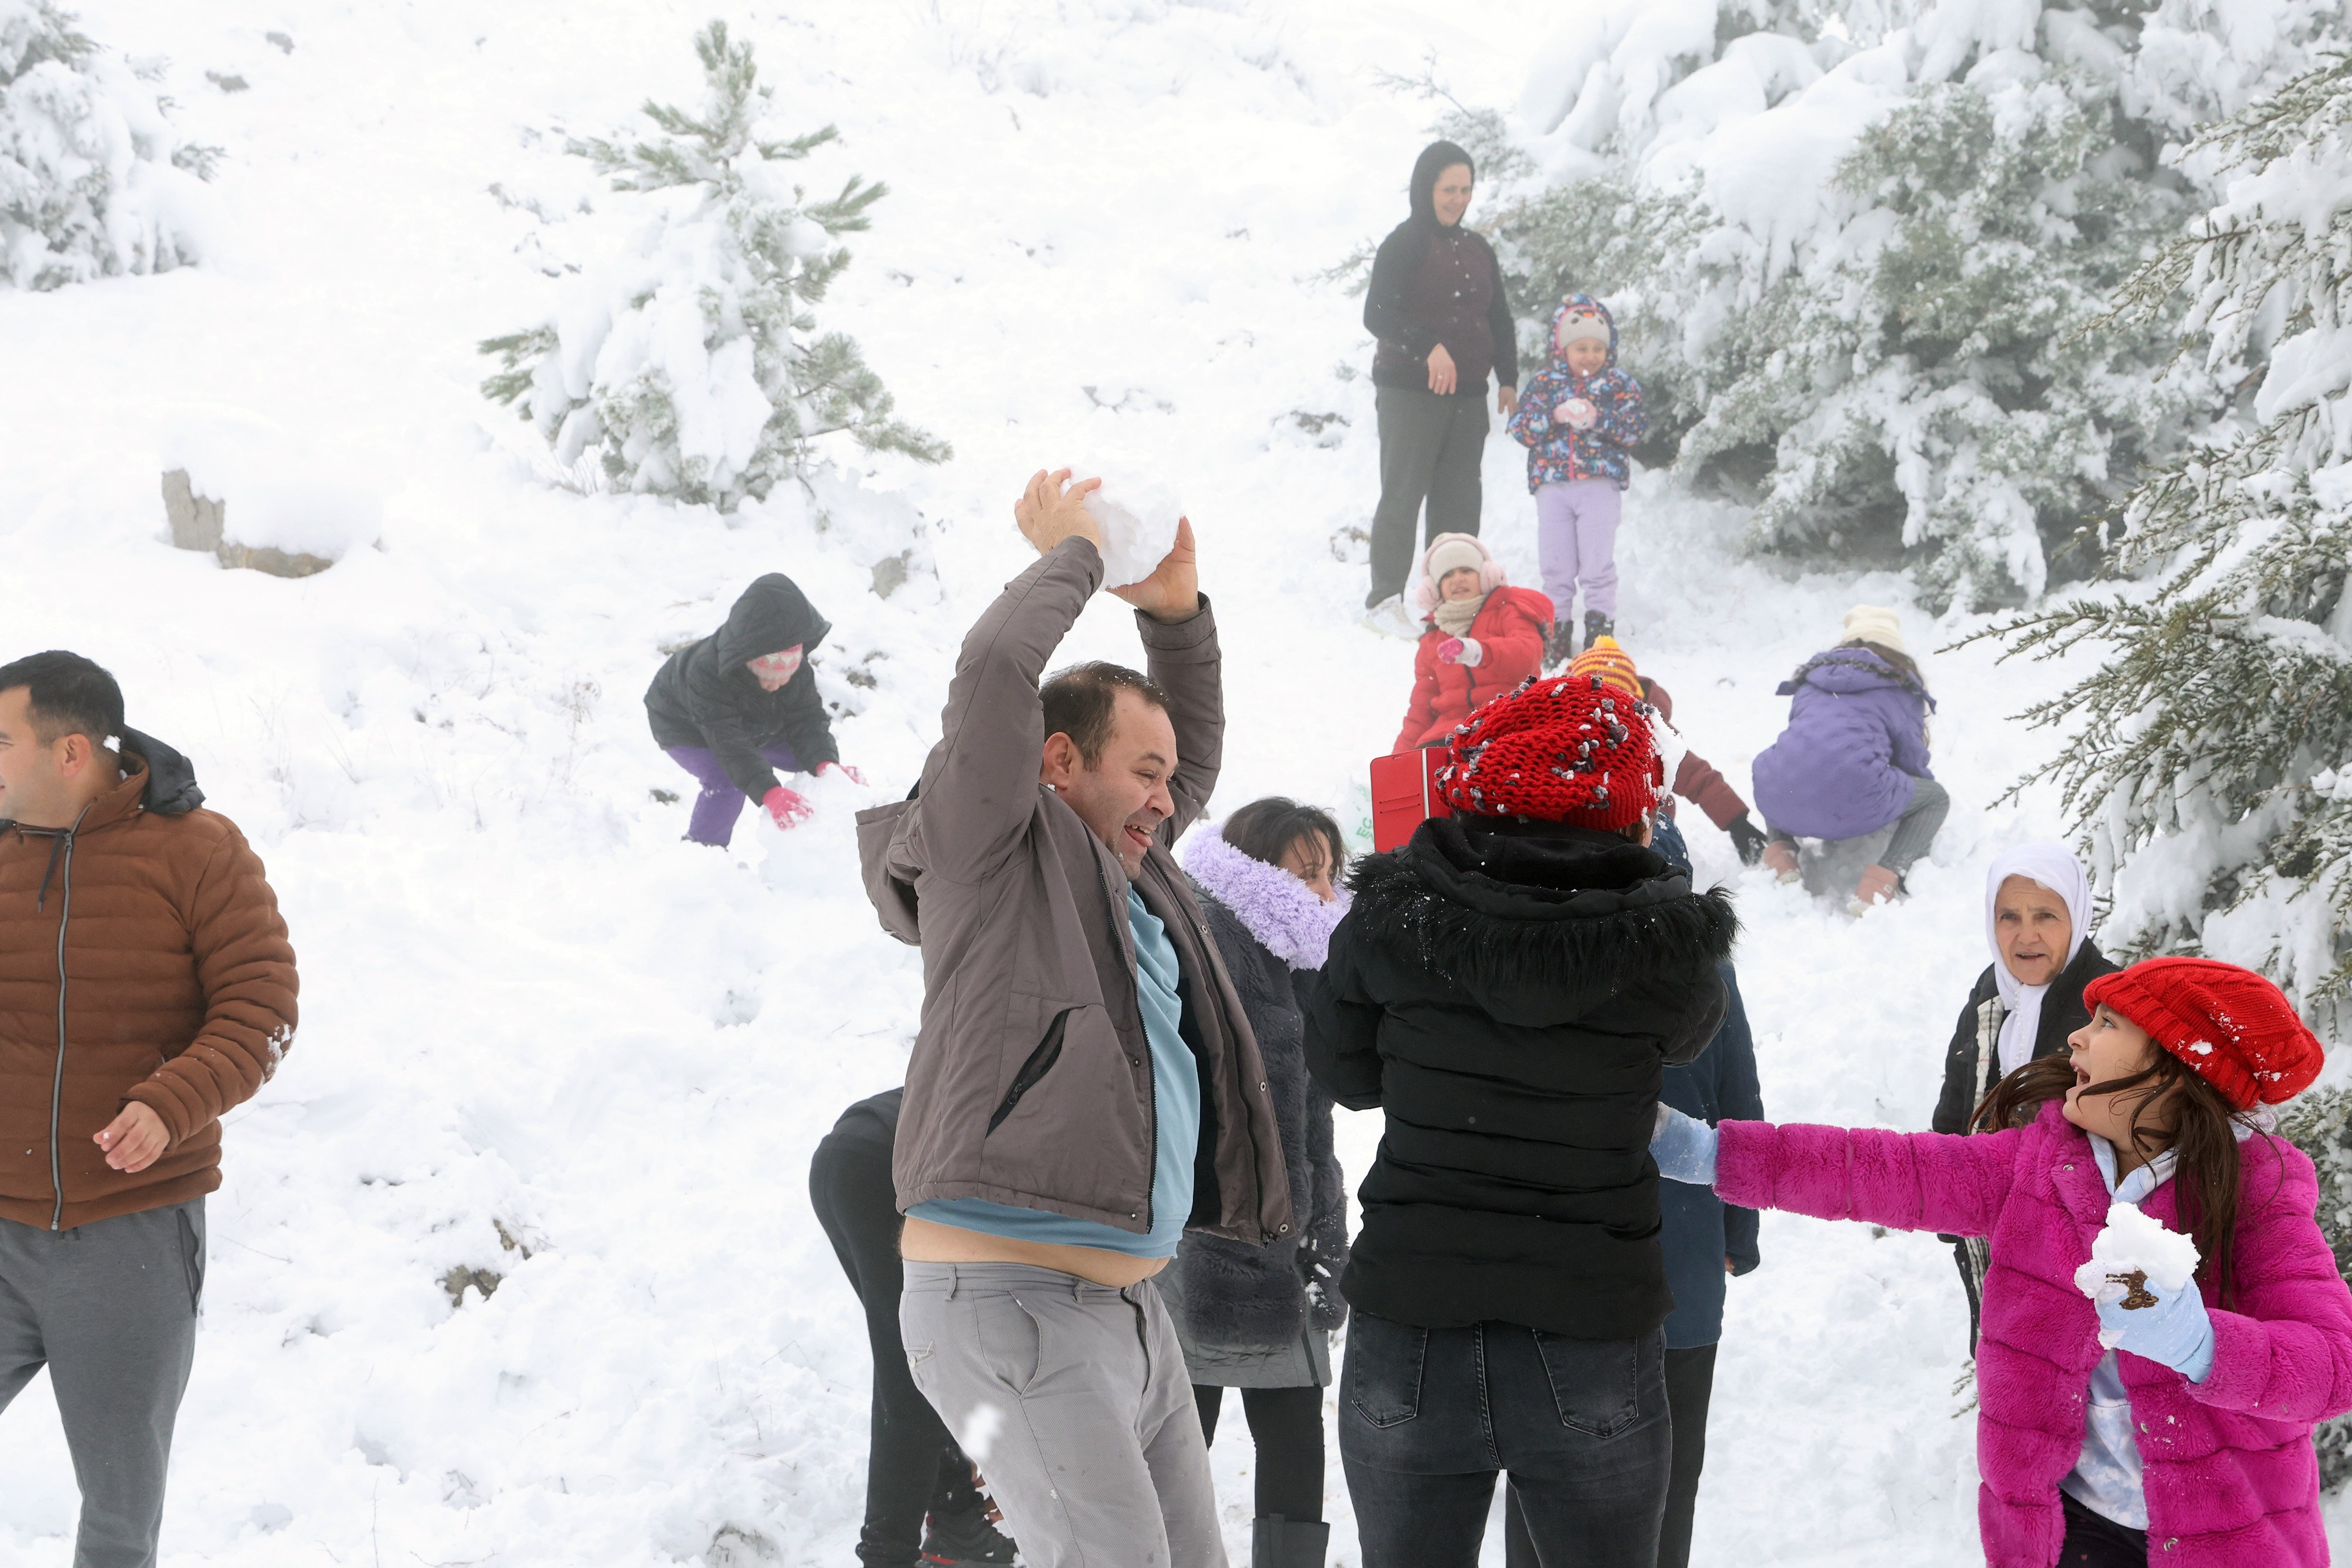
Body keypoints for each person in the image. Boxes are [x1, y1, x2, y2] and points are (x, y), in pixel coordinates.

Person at [856, 469, 1292, 1568]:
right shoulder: (988, 845)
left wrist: (1176, 618)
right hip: (1009, 1293)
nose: (1166, 797)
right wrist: (1078, 552)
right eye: (1143, 774)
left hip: (1132, 1308)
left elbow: (1175, 749)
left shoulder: (1126, 877)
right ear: (1057, 762)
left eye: (1169, 780)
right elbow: (1002, 668)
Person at [1653, 957, 2352, 1567]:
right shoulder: (2038, 1169)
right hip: (2062, 1529)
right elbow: (1876, 1169)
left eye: (2108, 1024)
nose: (2077, 1035)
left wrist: (2203, 1346)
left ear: (2176, 1066)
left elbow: (2333, 1364)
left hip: (2224, 1538)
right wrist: (1715, 1153)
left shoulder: (2254, 1195)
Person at [1309, 673, 1737, 1568]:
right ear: (1627, 810)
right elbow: (1688, 1042)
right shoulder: (1668, 947)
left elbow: (1345, 1074)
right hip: (1591, 1322)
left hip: (1412, 1315)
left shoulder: (1398, 916)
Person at [0, 650, 299, 1568]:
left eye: (0, 740)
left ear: (70, 751)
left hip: (129, 1241)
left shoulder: (201, 850)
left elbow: (262, 1009)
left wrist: (172, 1103)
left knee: (121, 1519)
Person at [1502, 810, 1765, 1568]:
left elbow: (1735, 1099)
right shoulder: (1550, 942)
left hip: (1646, 1255)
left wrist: (1737, 1237)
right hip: (1610, 1257)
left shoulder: (1553, 940)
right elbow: (1738, 1099)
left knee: (1618, 1477)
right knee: (1570, 1474)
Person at [1159, 799, 1352, 1568]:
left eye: (1331, 872)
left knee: (1282, 1428)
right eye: (1307, 871)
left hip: (1279, 1236)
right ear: (1258, 870)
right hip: (1218, 1234)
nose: (1323, 889)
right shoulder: (1222, 949)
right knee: (1186, 1427)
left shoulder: (1293, 959)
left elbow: (1313, 1115)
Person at [808, 1088, 1019, 1568]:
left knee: (924, 1360)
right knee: (916, 1366)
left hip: (846, 1158)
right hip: (887, 1172)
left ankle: (959, 1520)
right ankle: (888, 1555)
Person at [1932, 844, 2119, 1350]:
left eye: (2046, 915)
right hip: (1991, 1255)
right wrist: (1948, 1211)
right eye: (2009, 915)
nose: (2026, 934)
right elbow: (1954, 1108)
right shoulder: (1990, 994)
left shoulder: (2110, 1009)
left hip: (2079, 1277)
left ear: (2076, 918)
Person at [1361, 140, 1519, 624]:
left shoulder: (1477, 248)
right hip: (1410, 393)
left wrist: (1508, 378)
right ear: (1426, 188)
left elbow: (1499, 317)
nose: (1457, 198)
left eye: (1466, 189)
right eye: (1448, 188)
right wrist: (1428, 346)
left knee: (1459, 504)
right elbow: (1377, 313)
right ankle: (1385, 601)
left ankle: (1454, 606)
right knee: (1403, 497)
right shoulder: (1405, 243)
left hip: (1468, 398)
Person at [1749, 604, 1946, 909]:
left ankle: (1781, 854)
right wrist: (1904, 795)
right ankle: (1886, 878)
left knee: (1780, 770)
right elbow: (1912, 762)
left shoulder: (1812, 681)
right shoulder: (1900, 688)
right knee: (1935, 799)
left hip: (1782, 796)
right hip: (1856, 797)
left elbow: (1804, 747)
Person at [645, 572, 863, 847]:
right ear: (748, 664)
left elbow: (807, 720)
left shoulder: (797, 669)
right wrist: (769, 791)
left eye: (783, 679)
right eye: (767, 679)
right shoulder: (706, 673)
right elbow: (728, 741)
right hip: (684, 724)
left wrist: (826, 764)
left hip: (753, 722)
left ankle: (820, 837)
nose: (776, 686)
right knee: (726, 779)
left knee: (809, 761)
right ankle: (702, 851)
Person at [1506, 295, 1648, 661]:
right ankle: (1555, 633)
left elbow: (1635, 429)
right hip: (1553, 488)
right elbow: (1521, 429)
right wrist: (1554, 415)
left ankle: (1600, 637)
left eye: (1597, 348)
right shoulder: (1544, 384)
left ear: (1609, 349)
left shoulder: (1618, 385)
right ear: (1562, 349)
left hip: (1599, 487)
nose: (1589, 355)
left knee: (1597, 563)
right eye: (1581, 347)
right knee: (1556, 564)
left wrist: (1597, 418)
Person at [1566, 637, 1770, 866]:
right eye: (1593, 701)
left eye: (1615, 701)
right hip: (1582, 823)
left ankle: (1666, 881)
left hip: (1644, 823)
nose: (1605, 714)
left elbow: (1695, 776)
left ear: (1633, 699)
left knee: (1662, 835)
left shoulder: (1651, 731)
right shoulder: (1561, 731)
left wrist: (1736, 822)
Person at [1391, 533, 1553, 753]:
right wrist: (1395, 763)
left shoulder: (1508, 612)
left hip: (1509, 719)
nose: (1458, 579)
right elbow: (1421, 709)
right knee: (1428, 763)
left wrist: (1478, 652)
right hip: (1449, 733)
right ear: (1434, 589)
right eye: (1447, 575)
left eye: (1466, 570)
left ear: (1487, 575)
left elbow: (1527, 654)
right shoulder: (1432, 640)